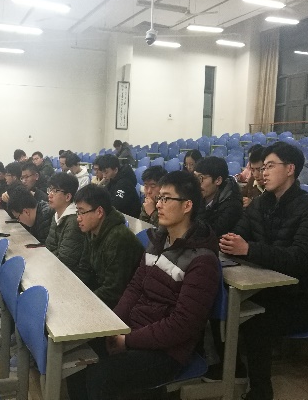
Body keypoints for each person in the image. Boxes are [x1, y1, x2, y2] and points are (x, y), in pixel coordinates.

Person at [67, 171, 220, 400]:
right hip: (134, 331)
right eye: (159, 198)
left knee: (101, 376)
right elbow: (134, 288)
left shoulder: (202, 260)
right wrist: (114, 328)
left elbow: (182, 325)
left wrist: (127, 341)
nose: (158, 204)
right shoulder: (158, 242)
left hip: (167, 352)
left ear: (187, 205)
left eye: (166, 198)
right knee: (76, 355)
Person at [220, 142, 308, 400]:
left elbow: (300, 258)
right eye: (262, 167)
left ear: (290, 169)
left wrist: (249, 249)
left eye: (270, 166)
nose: (263, 172)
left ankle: (261, 391)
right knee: (215, 298)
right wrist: (230, 242)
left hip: (301, 296)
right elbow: (239, 235)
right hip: (267, 286)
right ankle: (227, 369)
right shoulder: (259, 204)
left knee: (256, 322)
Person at [74, 184, 144, 309]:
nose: (78, 218)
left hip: (125, 305)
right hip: (102, 294)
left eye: (82, 212)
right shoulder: (91, 230)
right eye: (77, 212)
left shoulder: (119, 238)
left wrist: (82, 303)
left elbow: (114, 291)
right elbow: (84, 269)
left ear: (99, 212)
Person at [45, 173, 87, 282]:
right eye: (50, 190)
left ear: (68, 197)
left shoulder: (74, 221)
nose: (50, 195)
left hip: (72, 278)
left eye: (55, 191)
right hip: (56, 269)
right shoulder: (57, 215)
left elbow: (65, 261)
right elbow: (49, 247)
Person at [194, 156, 243, 237]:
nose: (197, 183)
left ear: (218, 180)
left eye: (201, 178)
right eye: (195, 178)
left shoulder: (232, 206)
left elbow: (212, 233)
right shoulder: (196, 197)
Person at [98, 154, 141, 218]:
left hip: (129, 219)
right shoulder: (112, 180)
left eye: (106, 172)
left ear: (115, 170)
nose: (104, 176)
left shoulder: (125, 183)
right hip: (119, 216)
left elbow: (115, 206)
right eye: (102, 173)